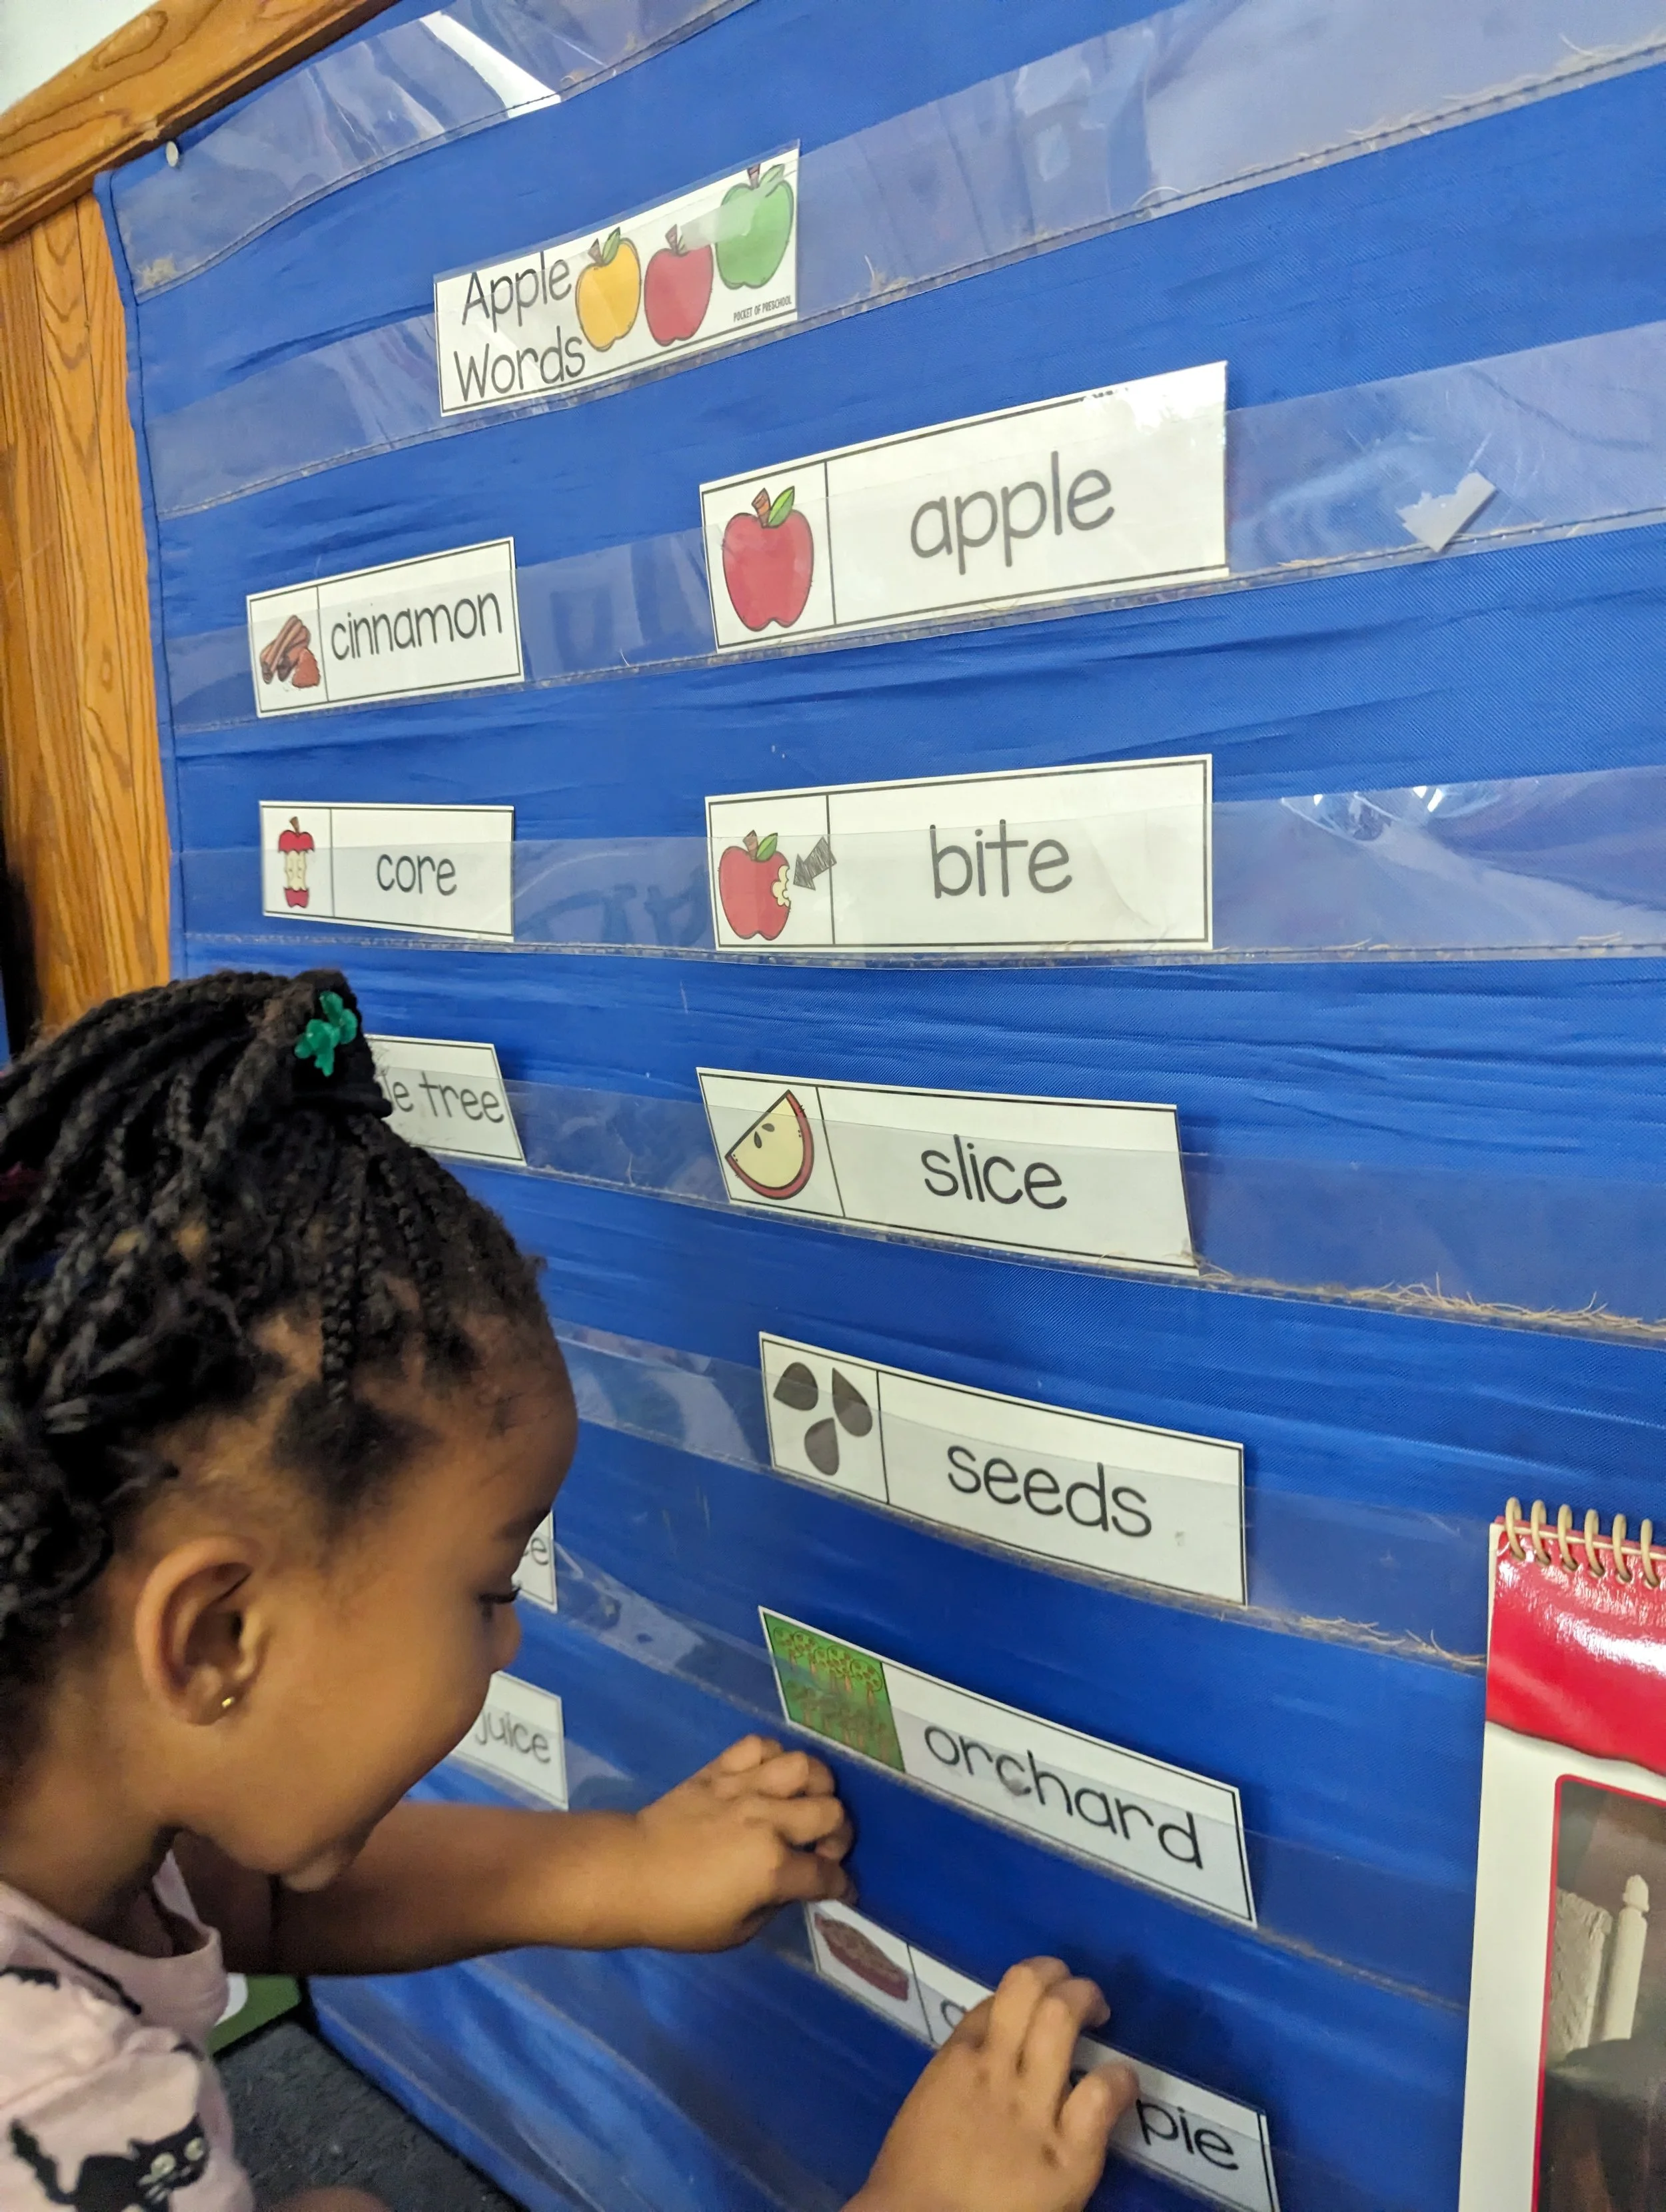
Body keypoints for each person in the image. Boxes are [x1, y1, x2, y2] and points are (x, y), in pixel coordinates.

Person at [0, 970, 1137, 2212]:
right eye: (488, 1588)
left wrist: (624, 1866)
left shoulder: (73, 1798)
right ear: (217, 1637)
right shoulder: (61, 2113)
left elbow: (243, 1903)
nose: (507, 1643)